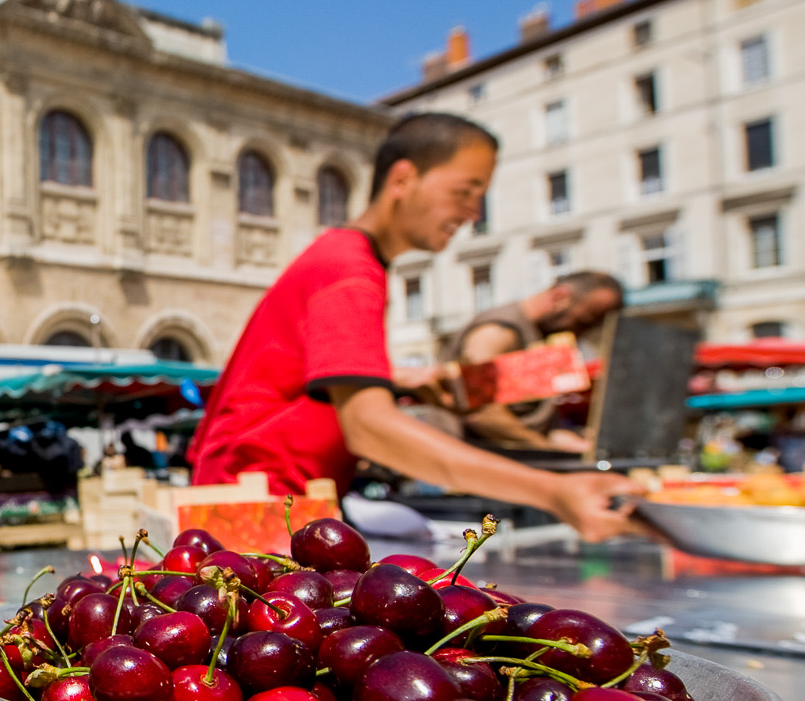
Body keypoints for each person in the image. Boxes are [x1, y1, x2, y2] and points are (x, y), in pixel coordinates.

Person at [185, 112, 639, 541]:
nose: (474, 211)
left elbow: (296, 378)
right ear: (403, 178)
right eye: (465, 191)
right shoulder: (350, 271)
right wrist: (554, 492)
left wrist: (400, 380)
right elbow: (370, 427)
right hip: (259, 507)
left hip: (274, 497)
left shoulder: (347, 261)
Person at [448, 270, 622, 452]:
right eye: (583, 321)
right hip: (467, 465)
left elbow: (534, 418)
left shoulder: (540, 334)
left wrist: (572, 442)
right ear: (559, 297)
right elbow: (480, 412)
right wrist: (542, 446)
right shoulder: (498, 331)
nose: (582, 332)